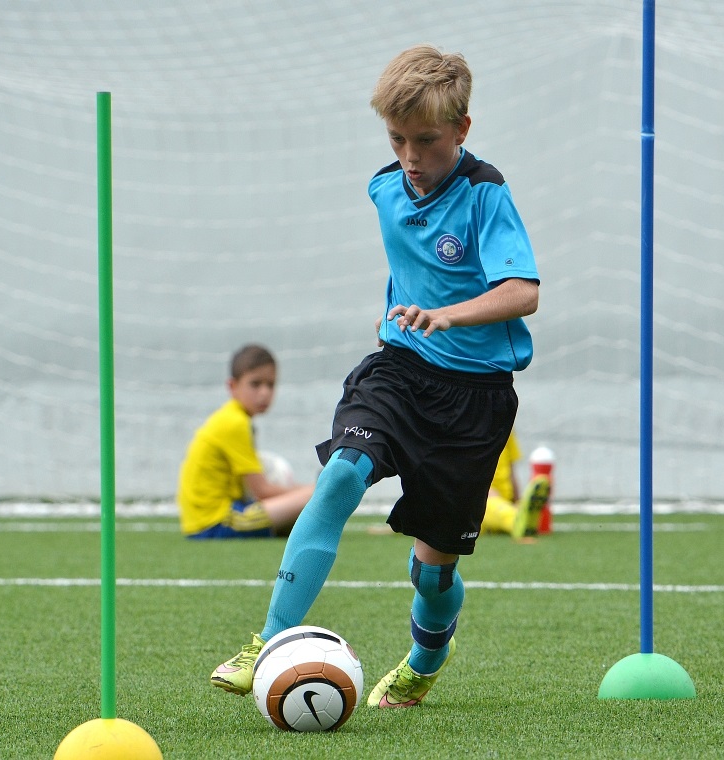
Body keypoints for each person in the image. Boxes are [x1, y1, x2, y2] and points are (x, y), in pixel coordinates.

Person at [210, 44, 540, 706]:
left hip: (473, 400)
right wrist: (410, 317)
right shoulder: (384, 188)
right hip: (399, 370)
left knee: (432, 571)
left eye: (427, 140)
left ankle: (426, 658)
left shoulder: (485, 192)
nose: (411, 156)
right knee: (339, 477)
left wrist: (447, 314)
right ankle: (268, 641)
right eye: (397, 139)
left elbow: (524, 291)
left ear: (462, 129)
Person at [176, 344, 315, 539]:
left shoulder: (230, 416)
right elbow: (262, 490)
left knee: (302, 512)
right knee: (319, 495)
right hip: (216, 522)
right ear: (232, 386)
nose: (264, 392)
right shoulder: (235, 423)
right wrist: (314, 489)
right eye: (255, 384)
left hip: (207, 520)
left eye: (270, 384)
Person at [480, 430, 551, 540]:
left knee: (502, 511)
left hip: (505, 501)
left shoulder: (506, 425)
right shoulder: (461, 425)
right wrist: (480, 489)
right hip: (478, 499)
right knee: (488, 506)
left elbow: (511, 469)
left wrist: (517, 501)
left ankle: (520, 516)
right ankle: (519, 520)